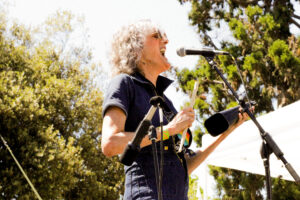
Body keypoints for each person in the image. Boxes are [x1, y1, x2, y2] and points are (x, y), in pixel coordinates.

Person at [101, 19, 250, 200]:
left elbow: (183, 166)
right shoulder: (124, 84)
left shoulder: (167, 103)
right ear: (136, 49)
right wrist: (169, 130)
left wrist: (226, 133)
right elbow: (109, 144)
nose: (166, 41)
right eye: (156, 36)